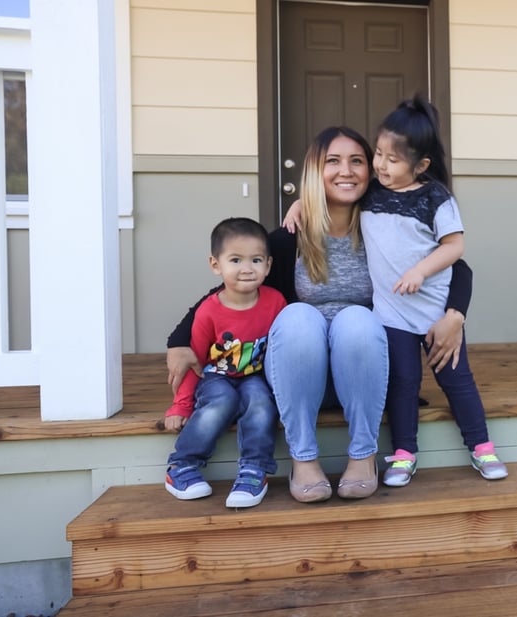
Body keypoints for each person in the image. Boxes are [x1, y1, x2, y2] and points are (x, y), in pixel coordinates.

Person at [166, 126, 473, 502]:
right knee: (298, 317)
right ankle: (304, 459)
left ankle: (363, 456)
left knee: (357, 320)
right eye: (333, 161)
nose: (346, 170)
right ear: (315, 170)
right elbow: (234, 287)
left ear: (371, 170)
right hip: (298, 376)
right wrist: (180, 341)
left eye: (357, 161)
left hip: (362, 374)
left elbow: (455, 266)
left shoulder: (383, 226)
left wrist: (455, 315)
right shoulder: (291, 236)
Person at [362, 95, 507, 487]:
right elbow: (326, 202)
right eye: (378, 154)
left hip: (436, 312)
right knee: (403, 383)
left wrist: (420, 270)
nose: (381, 165)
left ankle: (482, 447)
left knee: (456, 381)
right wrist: (298, 208)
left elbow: (455, 247)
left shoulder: (435, 197)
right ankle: (404, 454)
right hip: (392, 313)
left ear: (421, 165)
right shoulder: (370, 193)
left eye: (393, 160)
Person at [163, 217, 287, 509]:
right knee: (222, 400)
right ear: (216, 265)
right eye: (235, 260)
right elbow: (194, 360)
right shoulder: (209, 311)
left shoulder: (275, 302)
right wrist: (181, 405)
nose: (247, 268)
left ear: (268, 265)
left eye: (256, 260)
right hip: (214, 376)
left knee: (260, 402)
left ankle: (254, 469)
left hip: (255, 376)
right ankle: (182, 464)